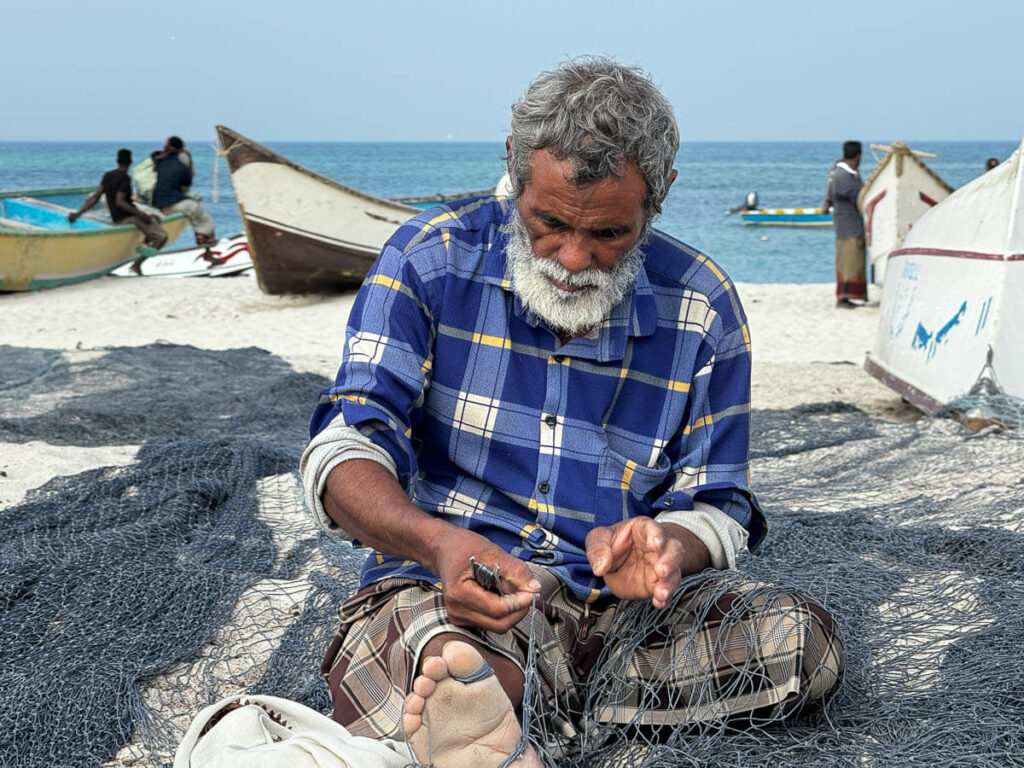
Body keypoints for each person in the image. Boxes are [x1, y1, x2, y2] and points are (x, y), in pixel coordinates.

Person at [301, 57, 844, 768]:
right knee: (432, 644)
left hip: (629, 622)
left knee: (806, 645)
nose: (572, 258)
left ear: (661, 196)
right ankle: (496, 696)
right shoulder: (427, 259)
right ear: (514, 166)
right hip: (462, 592)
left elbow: (718, 503)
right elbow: (347, 451)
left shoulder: (702, 303)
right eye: (548, 223)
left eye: (610, 235)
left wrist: (664, 552)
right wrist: (436, 544)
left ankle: (520, 712)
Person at [68, 148, 168, 274]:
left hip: (117, 218)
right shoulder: (124, 178)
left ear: (117, 161)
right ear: (130, 162)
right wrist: (141, 214)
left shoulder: (108, 176)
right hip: (127, 218)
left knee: (155, 218)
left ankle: (144, 243)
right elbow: (120, 202)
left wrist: (78, 214)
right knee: (162, 237)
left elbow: (95, 197)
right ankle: (137, 265)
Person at [151, 136, 217, 255]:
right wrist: (190, 159)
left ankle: (205, 246)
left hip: (160, 203)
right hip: (171, 205)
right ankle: (208, 251)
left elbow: (155, 156)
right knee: (202, 215)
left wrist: (169, 151)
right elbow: (188, 182)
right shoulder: (181, 167)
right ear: (180, 151)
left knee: (192, 208)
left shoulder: (159, 159)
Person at [822, 141, 867, 307]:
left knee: (850, 259)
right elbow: (855, 196)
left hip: (847, 222)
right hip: (848, 224)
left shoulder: (842, 172)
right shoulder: (844, 176)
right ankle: (843, 298)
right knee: (849, 260)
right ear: (858, 156)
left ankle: (849, 296)